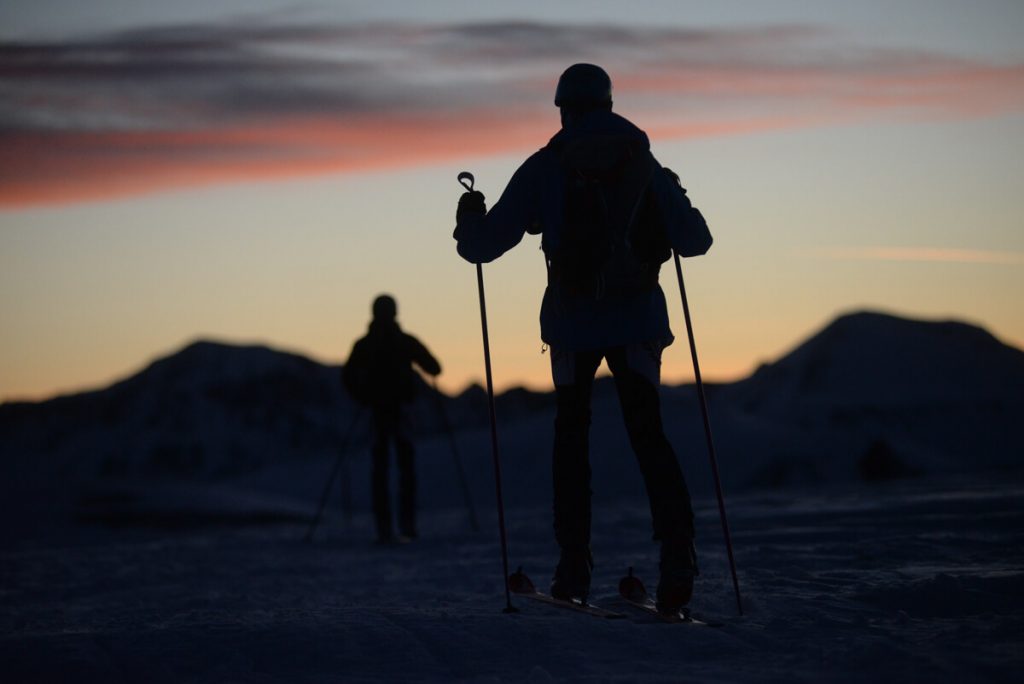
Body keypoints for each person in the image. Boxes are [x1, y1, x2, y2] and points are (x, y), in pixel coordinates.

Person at [452, 64, 713, 614]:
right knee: (650, 437)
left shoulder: (546, 167)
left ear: (564, 108)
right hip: (639, 320)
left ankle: (574, 565)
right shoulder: (645, 164)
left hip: (572, 325)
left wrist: (468, 218)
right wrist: (676, 201)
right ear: (610, 103)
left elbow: (482, 247)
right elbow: (696, 242)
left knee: (571, 437)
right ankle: (678, 557)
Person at [342, 294, 441, 543]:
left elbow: (348, 376)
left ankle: (384, 528)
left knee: (381, 469)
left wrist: (362, 396)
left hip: (377, 411)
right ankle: (407, 526)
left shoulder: (365, 344)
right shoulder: (404, 342)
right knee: (405, 468)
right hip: (402, 411)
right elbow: (434, 367)